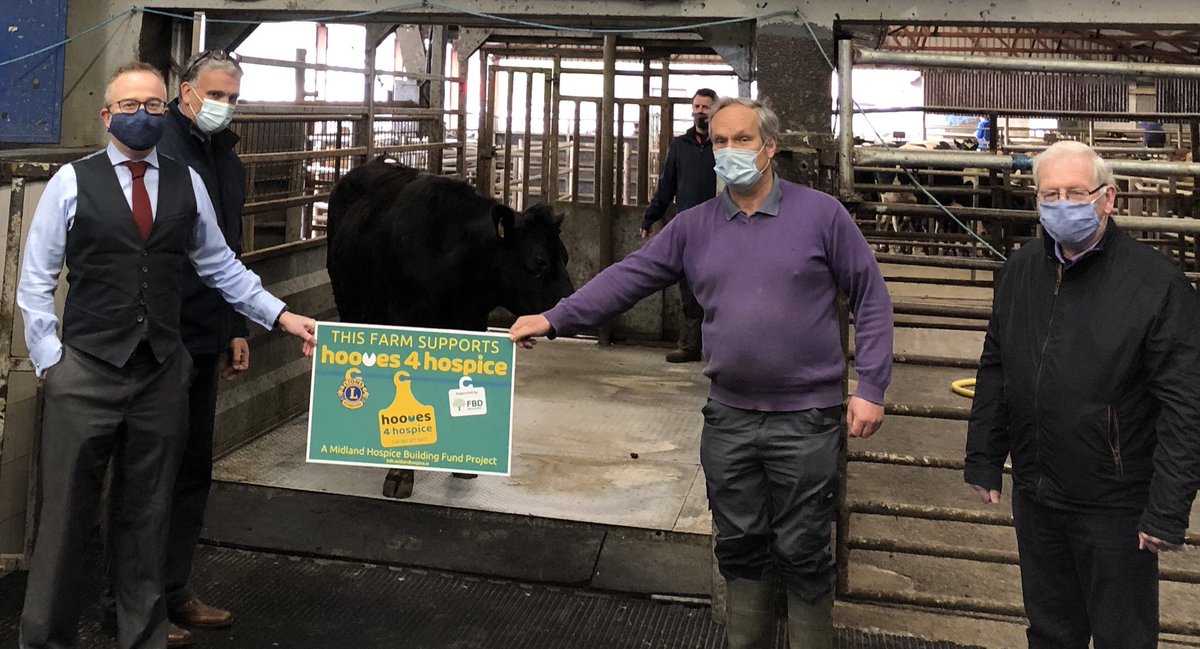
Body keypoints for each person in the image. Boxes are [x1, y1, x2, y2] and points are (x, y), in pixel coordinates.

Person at [510, 97, 894, 649]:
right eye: (720, 141)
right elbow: (630, 276)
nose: (731, 151)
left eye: (743, 139)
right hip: (731, 417)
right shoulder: (695, 227)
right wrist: (554, 317)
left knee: (805, 547)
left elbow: (871, 297)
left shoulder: (821, 216)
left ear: (770, 147)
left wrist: (872, 384)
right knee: (739, 544)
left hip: (807, 418)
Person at [16, 61, 317, 649]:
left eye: (152, 106)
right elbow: (36, 279)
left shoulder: (187, 181)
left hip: (160, 370)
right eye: (130, 106)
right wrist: (51, 360)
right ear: (107, 116)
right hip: (84, 370)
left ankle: (141, 634)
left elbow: (220, 265)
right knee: (66, 517)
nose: (143, 115)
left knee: (148, 512)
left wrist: (280, 315)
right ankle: (47, 639)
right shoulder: (71, 182)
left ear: (166, 110)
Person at [964, 140, 1200, 648]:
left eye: (1076, 193)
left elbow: (1186, 404)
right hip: (1038, 492)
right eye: (1050, 194)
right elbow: (997, 364)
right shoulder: (1020, 271)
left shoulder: (1156, 285)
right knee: (1050, 631)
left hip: (1115, 503)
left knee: (1123, 636)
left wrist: (1167, 508)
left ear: (1108, 198)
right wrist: (985, 454)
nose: (1062, 205)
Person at [97, 49, 248, 646]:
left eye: (233, 97)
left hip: (206, 335)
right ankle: (124, 603)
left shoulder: (227, 160)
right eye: (215, 95)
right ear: (185, 95)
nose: (223, 106)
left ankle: (176, 589)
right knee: (144, 474)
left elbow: (224, 255)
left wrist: (235, 326)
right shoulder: (163, 154)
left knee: (192, 471)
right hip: (157, 340)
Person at [640, 88, 717, 363]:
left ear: (715, 110)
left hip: (721, 227)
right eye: (696, 106)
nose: (700, 111)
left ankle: (719, 349)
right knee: (689, 289)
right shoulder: (680, 146)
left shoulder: (723, 145)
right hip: (690, 229)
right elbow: (667, 185)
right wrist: (650, 217)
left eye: (705, 107)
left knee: (720, 288)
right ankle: (689, 346)